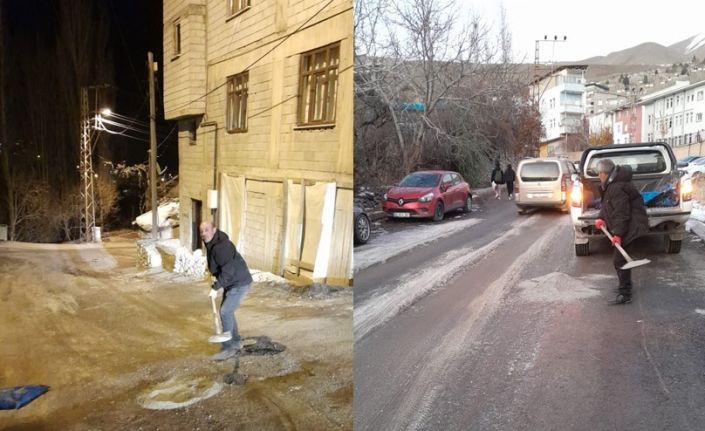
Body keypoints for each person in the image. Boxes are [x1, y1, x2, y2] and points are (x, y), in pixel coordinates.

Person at [594, 159, 648, 304]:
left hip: (631, 225)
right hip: (628, 224)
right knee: (621, 260)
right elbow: (607, 206)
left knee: (619, 260)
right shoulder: (612, 185)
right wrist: (601, 218)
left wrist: (617, 234)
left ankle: (625, 294)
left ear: (606, 173)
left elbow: (621, 212)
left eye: (600, 173)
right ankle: (624, 287)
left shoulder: (616, 187)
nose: (599, 176)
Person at [200, 220, 254, 361]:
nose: (203, 233)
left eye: (206, 229)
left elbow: (229, 270)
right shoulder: (212, 243)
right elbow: (220, 265)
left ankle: (228, 348)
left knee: (225, 311)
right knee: (227, 312)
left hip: (238, 282)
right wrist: (214, 274)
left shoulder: (221, 246)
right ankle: (235, 341)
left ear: (214, 229)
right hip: (232, 282)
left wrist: (215, 287)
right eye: (201, 231)